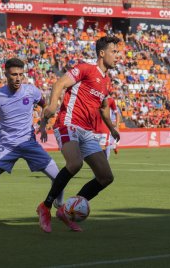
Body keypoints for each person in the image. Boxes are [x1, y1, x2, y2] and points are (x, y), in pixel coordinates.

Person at [0, 58, 66, 227]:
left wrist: (42, 125)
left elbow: (46, 107)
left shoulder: (31, 91)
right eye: (14, 74)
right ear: (6, 74)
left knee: (59, 177)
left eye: (21, 74)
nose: (18, 78)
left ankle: (58, 203)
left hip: (29, 143)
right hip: (6, 146)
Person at [36, 36, 121, 233]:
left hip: (87, 132)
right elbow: (60, 83)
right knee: (75, 163)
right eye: (114, 52)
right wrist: (51, 105)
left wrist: (112, 128)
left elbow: (103, 107)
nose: (117, 56)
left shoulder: (106, 82)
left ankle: (67, 210)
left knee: (106, 177)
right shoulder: (85, 69)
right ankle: (46, 206)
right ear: (102, 53)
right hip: (68, 124)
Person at [94, 93, 121, 159]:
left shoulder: (110, 100)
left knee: (102, 148)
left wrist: (116, 127)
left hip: (104, 129)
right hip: (93, 128)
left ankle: (103, 165)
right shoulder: (93, 98)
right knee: (94, 150)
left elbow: (117, 114)